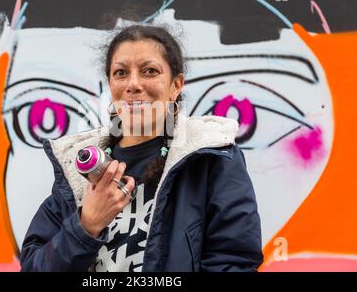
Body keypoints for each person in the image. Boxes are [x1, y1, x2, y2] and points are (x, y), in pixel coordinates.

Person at [20, 24, 264, 272]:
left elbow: (234, 263)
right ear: (110, 85)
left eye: (149, 71)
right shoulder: (77, 169)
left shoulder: (212, 157)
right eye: (121, 73)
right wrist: (86, 225)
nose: (133, 84)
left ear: (176, 85)